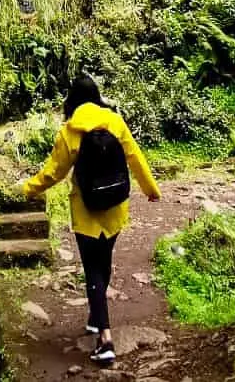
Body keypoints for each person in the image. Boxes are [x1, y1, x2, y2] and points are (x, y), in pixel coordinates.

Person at [19, 75, 161, 365]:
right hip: (114, 208)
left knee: (92, 270)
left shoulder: (70, 132)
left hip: (86, 210)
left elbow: (53, 173)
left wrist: (26, 189)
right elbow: (135, 158)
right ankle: (97, 318)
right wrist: (151, 190)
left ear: (71, 100)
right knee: (103, 263)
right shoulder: (115, 122)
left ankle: (105, 339)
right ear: (97, 97)